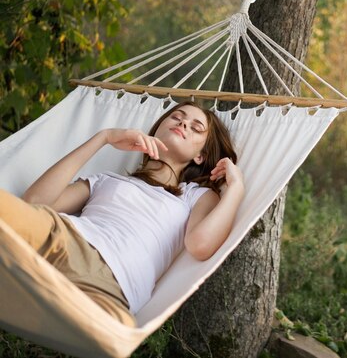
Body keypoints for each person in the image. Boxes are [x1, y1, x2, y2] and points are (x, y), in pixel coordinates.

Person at [0, 101, 244, 327]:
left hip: (110, 286)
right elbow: (34, 202)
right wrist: (103, 138)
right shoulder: (106, 179)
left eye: (195, 127)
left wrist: (236, 189)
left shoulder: (194, 196)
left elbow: (200, 245)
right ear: (157, 129)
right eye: (177, 117)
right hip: (61, 239)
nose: (182, 123)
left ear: (199, 156)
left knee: (115, 337)